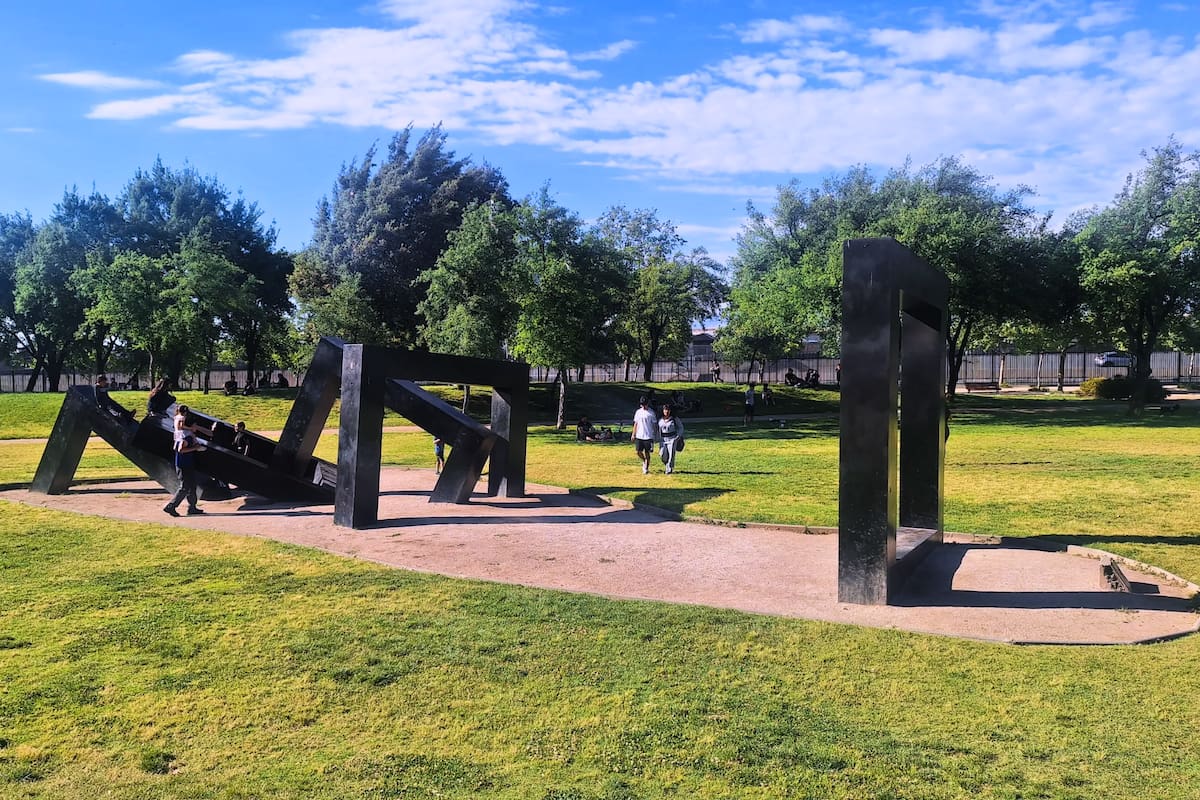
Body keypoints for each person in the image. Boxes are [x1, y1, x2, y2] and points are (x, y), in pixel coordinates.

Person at [163, 431, 206, 517]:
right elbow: (180, 449)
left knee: (192, 486)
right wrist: (195, 448)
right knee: (184, 487)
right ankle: (171, 506)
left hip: (186, 464)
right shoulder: (186, 437)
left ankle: (192, 507)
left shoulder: (181, 435)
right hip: (184, 465)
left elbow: (175, 447)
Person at [631, 396, 658, 475]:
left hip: (648, 436)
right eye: (642, 404)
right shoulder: (638, 412)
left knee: (647, 452)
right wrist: (633, 434)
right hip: (639, 435)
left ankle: (646, 467)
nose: (643, 406)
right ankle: (644, 460)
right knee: (638, 452)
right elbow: (636, 423)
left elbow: (654, 424)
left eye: (644, 404)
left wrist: (655, 435)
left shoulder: (651, 413)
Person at [657, 403, 685, 474]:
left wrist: (678, 436)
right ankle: (666, 464)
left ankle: (669, 468)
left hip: (672, 439)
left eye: (668, 410)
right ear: (663, 410)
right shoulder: (660, 419)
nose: (666, 411)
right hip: (663, 439)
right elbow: (657, 429)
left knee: (671, 454)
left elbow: (681, 427)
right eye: (665, 410)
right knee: (663, 455)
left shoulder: (674, 419)